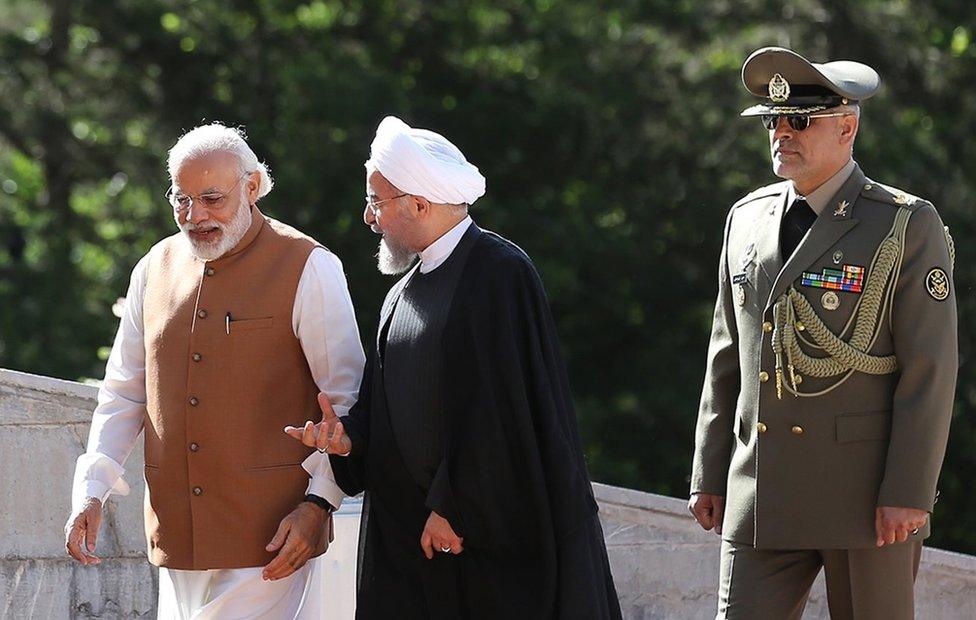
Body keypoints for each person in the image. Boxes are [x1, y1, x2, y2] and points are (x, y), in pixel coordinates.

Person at [286, 116, 622, 619]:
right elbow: (387, 412)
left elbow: (503, 413)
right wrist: (347, 441)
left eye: (376, 202)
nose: (368, 218)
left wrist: (454, 506)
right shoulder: (399, 295)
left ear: (419, 204)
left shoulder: (499, 272)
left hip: (480, 545)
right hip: (408, 552)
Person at [689, 47, 957, 619]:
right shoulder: (747, 217)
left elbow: (929, 369)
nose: (782, 133)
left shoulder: (904, 224)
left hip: (863, 499)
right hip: (761, 487)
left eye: (800, 120)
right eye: (773, 121)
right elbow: (727, 355)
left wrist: (908, 490)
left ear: (847, 127)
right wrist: (708, 473)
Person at [63, 123, 366, 618]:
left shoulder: (309, 265)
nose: (195, 215)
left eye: (211, 199)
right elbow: (122, 393)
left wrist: (319, 505)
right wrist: (91, 491)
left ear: (251, 187)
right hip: (176, 537)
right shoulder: (151, 269)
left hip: (271, 539)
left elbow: (348, 401)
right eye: (181, 200)